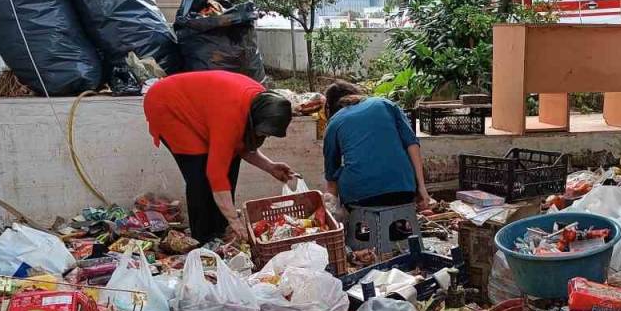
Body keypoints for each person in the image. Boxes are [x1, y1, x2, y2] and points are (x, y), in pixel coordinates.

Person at [143, 70, 296, 243]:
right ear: (254, 119)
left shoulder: (262, 104)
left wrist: (270, 166)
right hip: (168, 105)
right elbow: (216, 174)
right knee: (200, 175)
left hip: (203, 108)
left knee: (229, 162)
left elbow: (239, 146)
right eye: (263, 132)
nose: (265, 136)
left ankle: (221, 231)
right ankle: (203, 238)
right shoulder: (230, 116)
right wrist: (234, 220)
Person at [322, 82, 432, 213]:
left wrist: (331, 211)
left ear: (330, 106)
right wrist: (421, 188)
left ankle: (354, 223)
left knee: (339, 172)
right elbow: (412, 145)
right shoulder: (385, 104)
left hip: (360, 197)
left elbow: (331, 180)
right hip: (404, 192)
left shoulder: (334, 122)